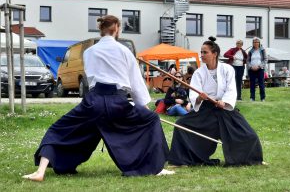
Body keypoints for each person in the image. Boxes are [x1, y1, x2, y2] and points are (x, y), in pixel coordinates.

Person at [22, 15, 174, 182]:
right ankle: (156, 168)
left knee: (58, 130)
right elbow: (136, 83)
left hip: (93, 103)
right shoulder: (125, 51)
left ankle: (40, 172)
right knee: (152, 119)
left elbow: (92, 78)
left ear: (101, 30)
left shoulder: (89, 52)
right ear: (116, 28)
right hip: (118, 103)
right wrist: (143, 107)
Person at [168, 36, 264, 167]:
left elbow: (231, 89)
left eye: (205, 52)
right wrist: (200, 98)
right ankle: (184, 159)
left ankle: (252, 159)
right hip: (206, 109)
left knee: (249, 135)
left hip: (224, 108)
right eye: (201, 52)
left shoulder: (227, 69)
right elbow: (194, 94)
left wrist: (224, 102)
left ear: (215, 54)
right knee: (181, 124)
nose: (201, 55)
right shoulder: (198, 73)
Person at [247, 37, 268, 102]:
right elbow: (247, 61)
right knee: (252, 84)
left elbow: (265, 59)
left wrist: (259, 66)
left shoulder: (262, 50)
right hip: (251, 69)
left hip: (260, 69)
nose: (256, 43)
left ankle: (262, 98)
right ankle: (252, 98)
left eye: (257, 42)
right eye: (254, 42)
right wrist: (251, 67)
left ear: (259, 43)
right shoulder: (250, 51)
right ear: (253, 43)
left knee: (261, 84)